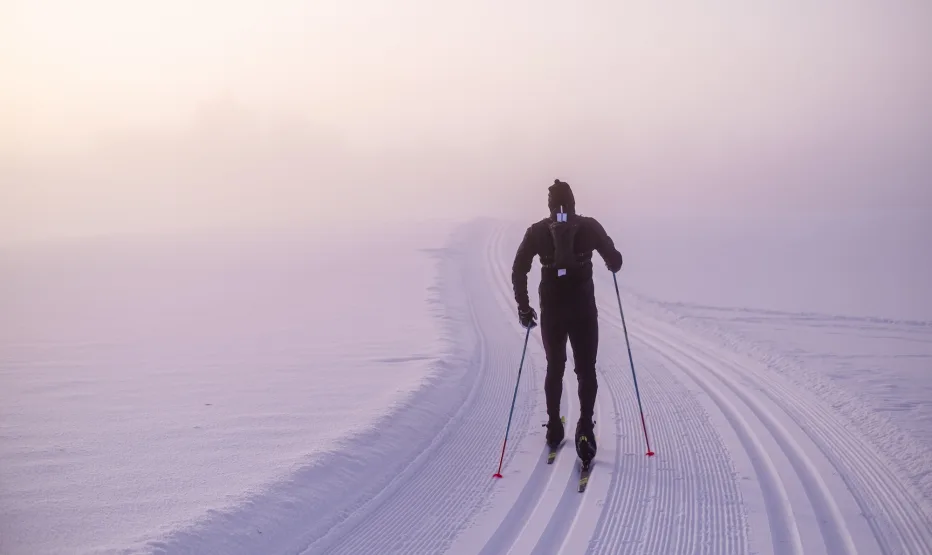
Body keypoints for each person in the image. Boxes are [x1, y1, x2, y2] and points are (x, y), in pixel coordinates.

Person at [511, 179, 623, 463]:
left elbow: (519, 269)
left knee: (555, 366)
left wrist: (524, 307)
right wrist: (611, 261)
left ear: (549, 206)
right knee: (586, 369)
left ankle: (553, 427)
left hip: (553, 310)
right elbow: (615, 261)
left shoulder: (537, 231)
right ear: (573, 202)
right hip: (583, 309)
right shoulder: (589, 226)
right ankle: (585, 427)